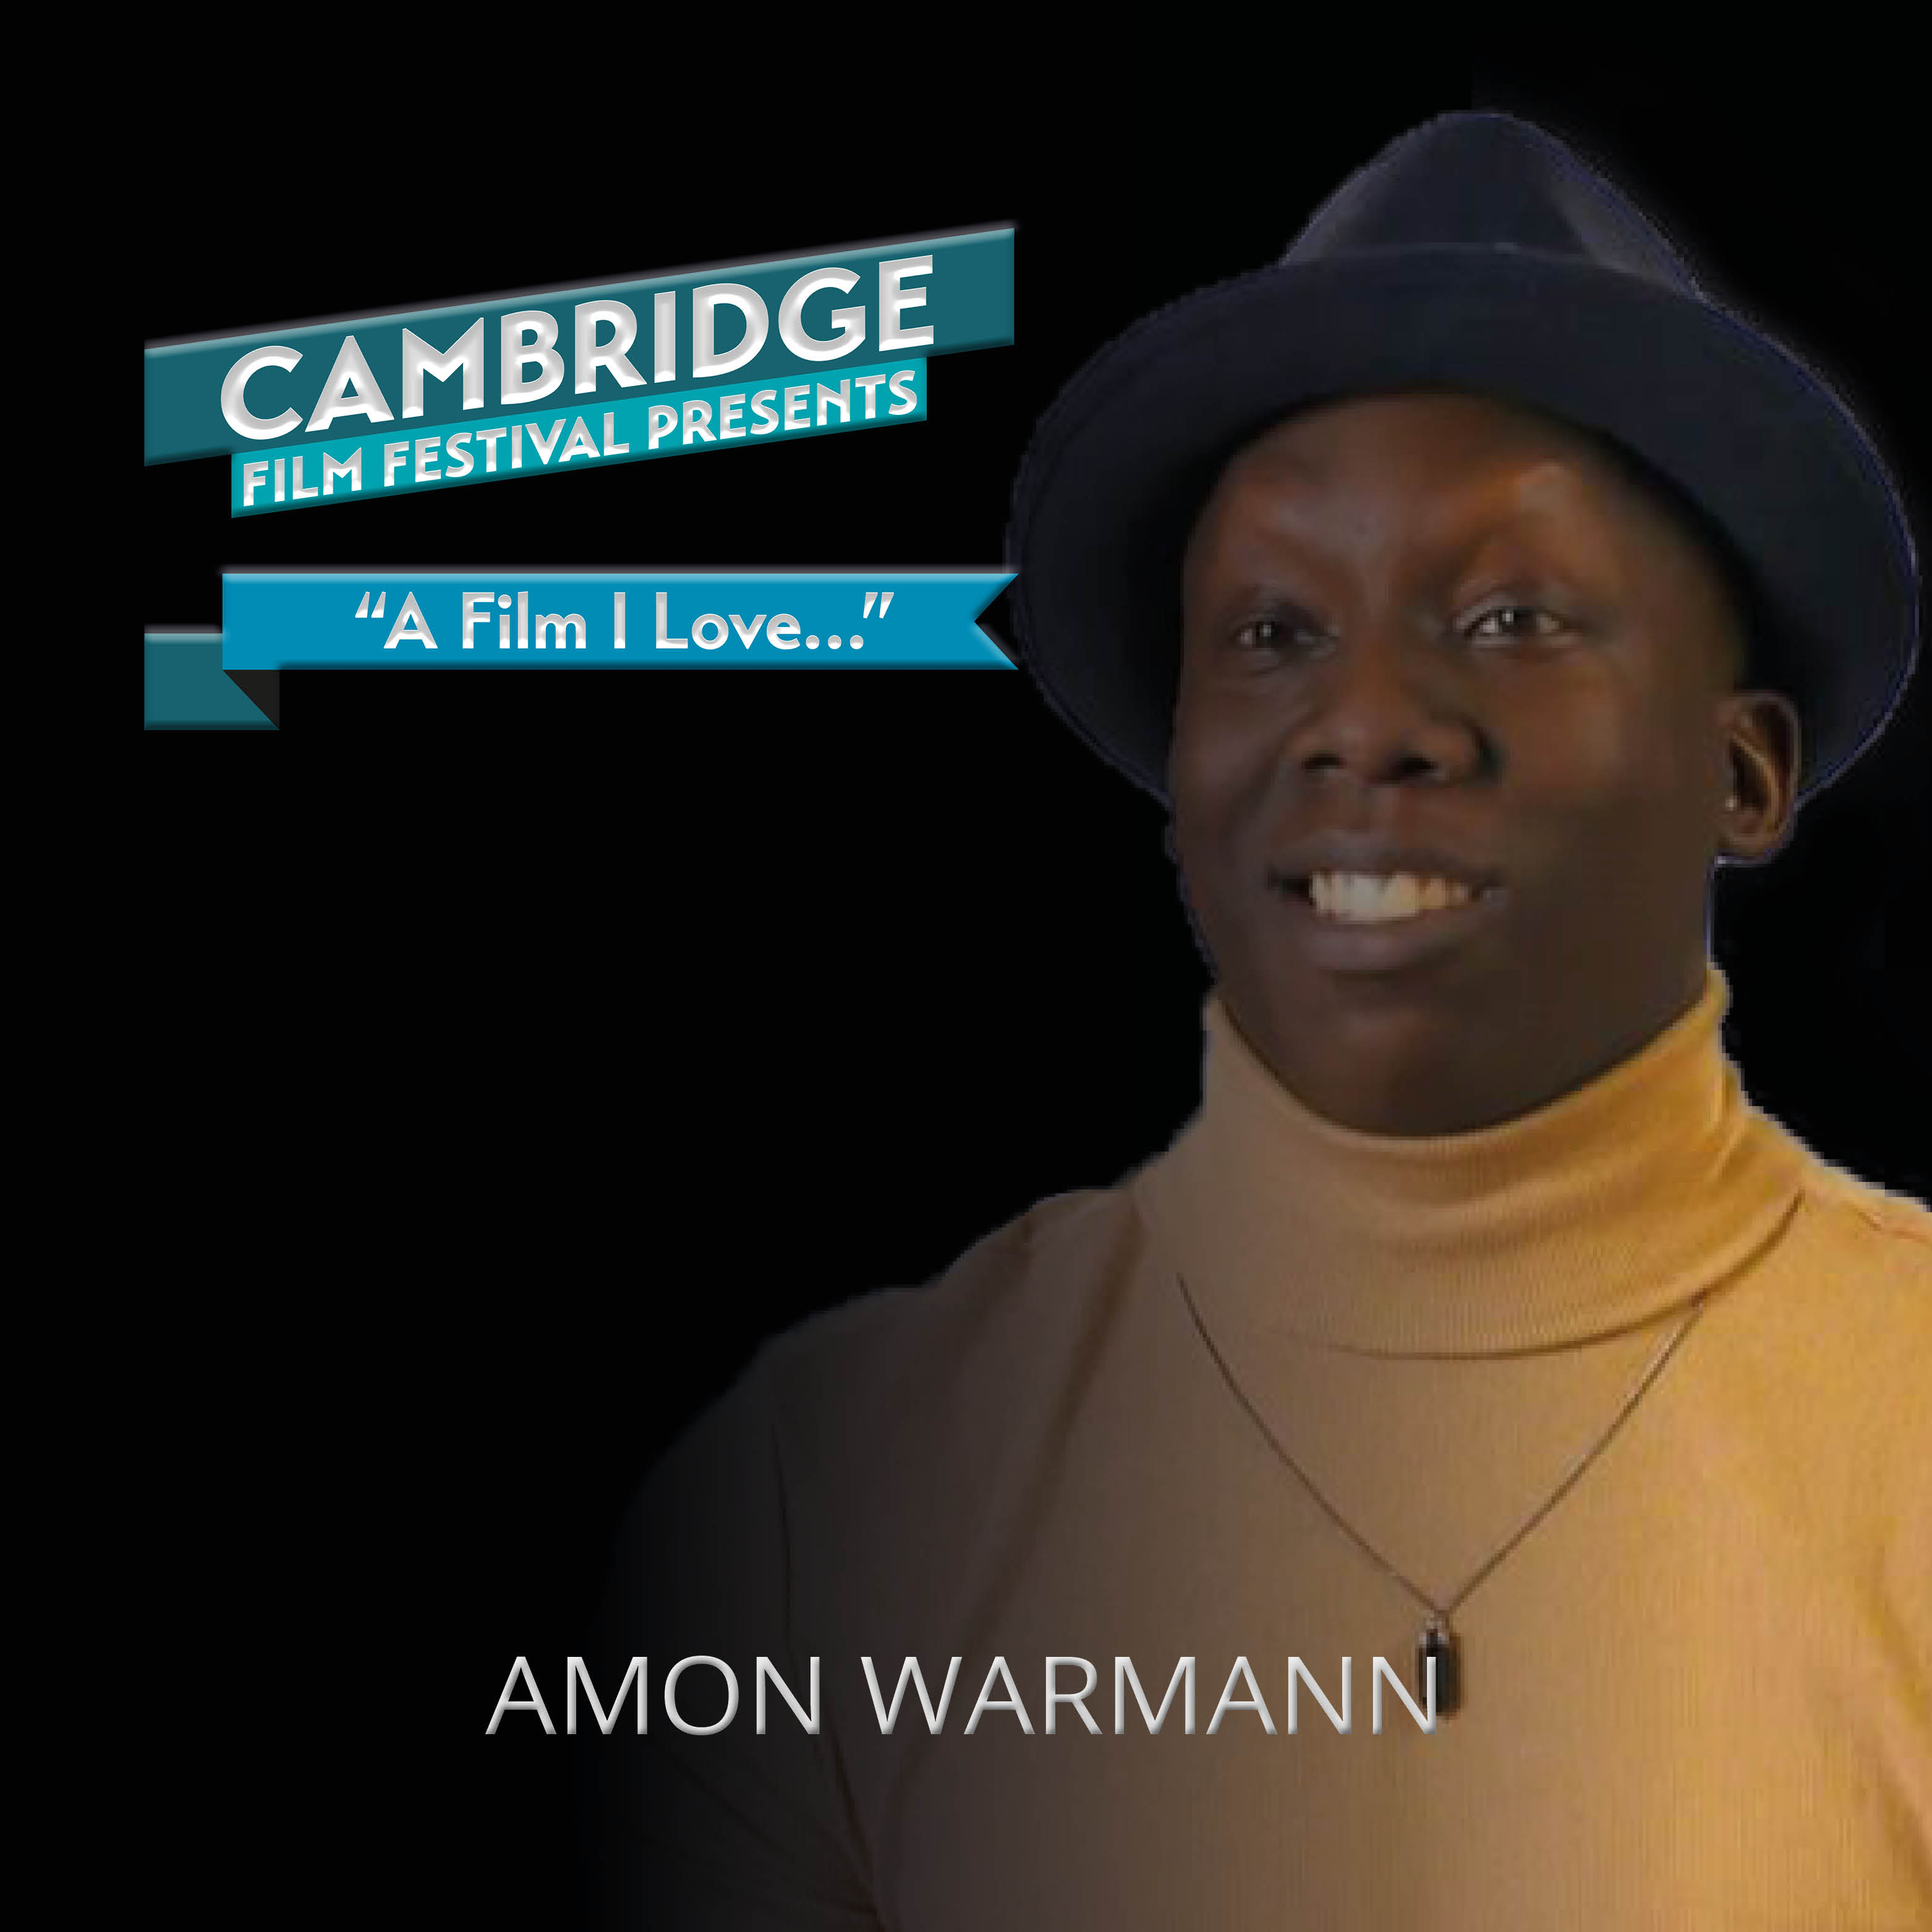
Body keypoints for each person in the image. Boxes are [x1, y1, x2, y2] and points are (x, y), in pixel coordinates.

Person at [587, 110, 1929, 1928]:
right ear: (1181, 769)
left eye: (1517, 613)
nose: (1365, 722)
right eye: (1273, 635)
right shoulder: (830, 1497)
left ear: (1744, 770)